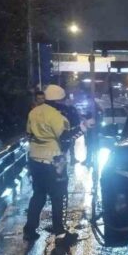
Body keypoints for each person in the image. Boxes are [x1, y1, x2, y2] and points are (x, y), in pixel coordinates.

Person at [24, 84, 76, 241]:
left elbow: (29, 133)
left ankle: (29, 229)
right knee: (57, 196)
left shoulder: (33, 112)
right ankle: (60, 231)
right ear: (59, 100)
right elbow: (65, 137)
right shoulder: (56, 115)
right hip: (53, 160)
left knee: (38, 194)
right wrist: (81, 129)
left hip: (35, 159)